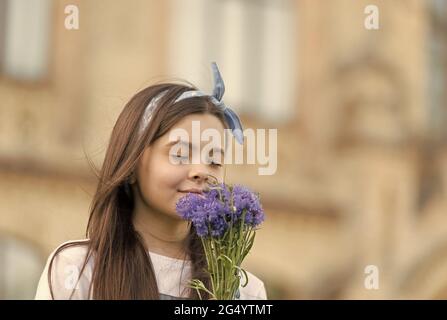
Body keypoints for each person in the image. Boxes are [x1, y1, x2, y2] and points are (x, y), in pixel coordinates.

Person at [34, 62, 267, 300]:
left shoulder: (244, 291)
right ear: (132, 165)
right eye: (180, 154)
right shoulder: (76, 271)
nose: (201, 171)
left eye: (214, 160)